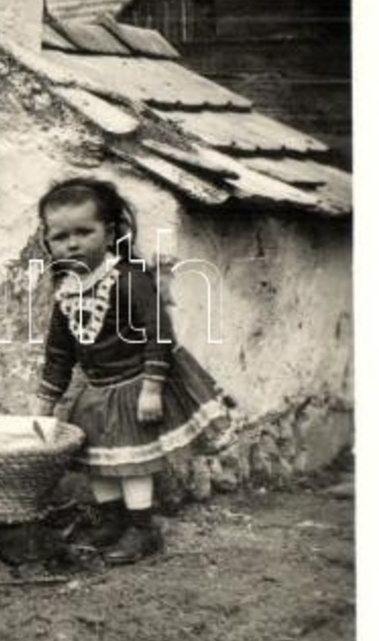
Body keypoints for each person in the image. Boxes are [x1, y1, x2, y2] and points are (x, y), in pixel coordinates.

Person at [28, 178, 234, 564]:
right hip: (95, 392)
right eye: (60, 237)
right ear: (47, 241)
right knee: (98, 462)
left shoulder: (128, 279)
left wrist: (152, 387)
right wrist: (44, 403)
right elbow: (59, 354)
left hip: (132, 386)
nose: (72, 244)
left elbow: (159, 334)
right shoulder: (66, 293)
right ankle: (111, 520)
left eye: (84, 232)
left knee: (131, 464)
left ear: (109, 233)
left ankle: (142, 528)